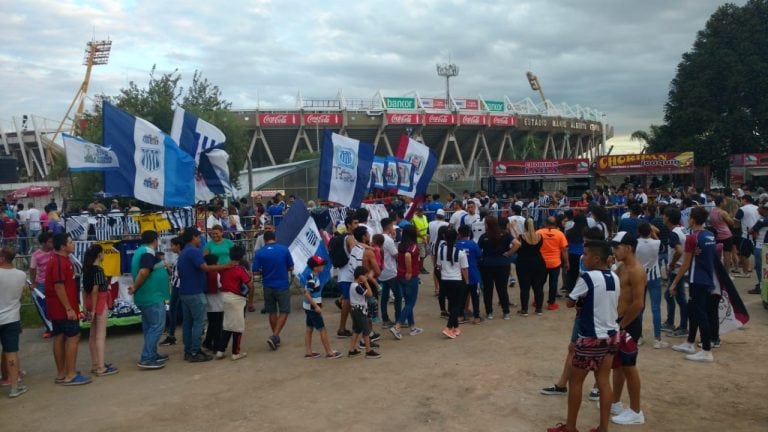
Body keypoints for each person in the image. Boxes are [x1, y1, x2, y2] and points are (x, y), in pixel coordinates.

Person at [547, 240, 620, 432]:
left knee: (576, 381)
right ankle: (603, 428)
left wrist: (581, 302)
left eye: (586, 254)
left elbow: (570, 302)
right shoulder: (614, 276)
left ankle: (570, 427)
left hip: (590, 336)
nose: (583, 257)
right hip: (612, 335)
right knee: (604, 381)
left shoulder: (588, 277)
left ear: (596, 258)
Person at [177, 228, 232, 363]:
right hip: (194, 292)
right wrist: (225, 266)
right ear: (193, 237)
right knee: (198, 323)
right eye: (198, 237)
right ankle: (195, 351)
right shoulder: (193, 251)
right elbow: (206, 268)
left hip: (185, 291)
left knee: (188, 323)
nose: (200, 239)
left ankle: (189, 350)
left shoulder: (185, 252)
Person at [609, 232, 647, 425]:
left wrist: (622, 325)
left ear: (628, 248)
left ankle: (635, 410)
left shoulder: (636, 270)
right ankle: (615, 402)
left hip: (629, 323)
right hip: (620, 321)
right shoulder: (622, 266)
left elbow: (638, 303)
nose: (614, 251)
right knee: (619, 366)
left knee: (629, 367)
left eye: (616, 248)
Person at [670, 206, 717, 362]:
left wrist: (674, 283)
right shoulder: (710, 235)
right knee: (694, 310)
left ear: (693, 219)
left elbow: (685, 264)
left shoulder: (692, 238)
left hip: (696, 280)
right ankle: (690, 342)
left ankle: (706, 350)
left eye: (689, 217)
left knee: (700, 314)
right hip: (707, 279)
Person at [46, 233, 91, 386]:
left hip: (58, 308)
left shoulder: (59, 260)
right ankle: (70, 374)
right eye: (70, 242)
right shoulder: (60, 262)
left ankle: (62, 373)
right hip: (63, 309)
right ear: (63, 246)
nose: (74, 244)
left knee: (59, 337)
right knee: (73, 337)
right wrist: (69, 308)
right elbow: (58, 286)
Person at [129, 231, 170, 370]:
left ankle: (151, 353)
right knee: (157, 326)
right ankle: (147, 358)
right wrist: (135, 287)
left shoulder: (141, 251)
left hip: (148, 295)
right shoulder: (148, 251)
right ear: (155, 240)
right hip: (151, 296)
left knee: (149, 326)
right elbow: (144, 272)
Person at [252, 230, 294, 351]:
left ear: (264, 240)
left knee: (271, 312)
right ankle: (275, 335)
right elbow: (291, 266)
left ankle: (276, 337)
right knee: (284, 311)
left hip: (268, 285)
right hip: (282, 284)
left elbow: (255, 271)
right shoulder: (284, 249)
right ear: (275, 238)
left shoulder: (260, 252)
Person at [82, 244, 118, 376]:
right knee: (100, 335)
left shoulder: (86, 269)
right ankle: (101, 367)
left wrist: (86, 307)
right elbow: (96, 290)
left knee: (93, 335)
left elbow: (85, 290)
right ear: (99, 255)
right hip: (99, 301)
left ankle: (95, 363)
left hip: (90, 301)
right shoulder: (98, 270)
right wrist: (93, 310)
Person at [0, 246, 29, 397]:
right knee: (11, 352)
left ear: (2, 258)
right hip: (11, 317)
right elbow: (21, 295)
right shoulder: (21, 275)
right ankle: (14, 387)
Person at [302, 255, 342, 359]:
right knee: (322, 329)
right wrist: (316, 306)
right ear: (315, 267)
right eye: (321, 264)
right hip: (312, 308)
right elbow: (307, 293)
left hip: (308, 307)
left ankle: (308, 351)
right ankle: (329, 352)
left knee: (309, 328)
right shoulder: (313, 279)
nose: (323, 266)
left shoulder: (312, 276)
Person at [216, 246, 251, 360]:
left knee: (227, 324)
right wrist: (250, 299)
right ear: (242, 257)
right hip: (237, 298)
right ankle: (236, 352)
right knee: (238, 326)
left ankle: (221, 350)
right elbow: (250, 284)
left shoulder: (224, 267)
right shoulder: (240, 269)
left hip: (225, 296)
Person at [636, 222, 666, 349]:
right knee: (656, 308)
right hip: (654, 276)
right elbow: (662, 247)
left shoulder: (635, 243)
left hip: (640, 276)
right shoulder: (656, 243)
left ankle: (638, 336)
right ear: (649, 232)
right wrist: (653, 233)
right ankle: (657, 339)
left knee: (639, 307)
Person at [390, 225, 423, 339]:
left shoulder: (401, 245)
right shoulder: (413, 246)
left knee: (408, 301)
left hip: (400, 275)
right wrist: (409, 271)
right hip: (410, 276)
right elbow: (408, 256)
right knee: (410, 303)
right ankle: (397, 326)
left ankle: (412, 327)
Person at [478, 216, 514, 320]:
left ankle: (489, 312)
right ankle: (506, 312)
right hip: (503, 264)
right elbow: (517, 244)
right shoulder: (505, 234)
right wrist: (509, 253)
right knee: (502, 289)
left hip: (487, 265)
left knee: (488, 290)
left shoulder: (484, 236)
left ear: (488, 225)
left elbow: (478, 250)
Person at [436, 228, 468, 338]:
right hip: (456, 280)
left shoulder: (440, 250)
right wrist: (467, 281)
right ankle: (448, 327)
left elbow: (438, 267)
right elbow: (464, 269)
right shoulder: (461, 253)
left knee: (452, 303)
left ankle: (455, 327)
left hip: (445, 280)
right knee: (457, 305)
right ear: (456, 238)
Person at [662, 207, 688, 338]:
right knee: (670, 295)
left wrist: (672, 263)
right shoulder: (683, 229)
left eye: (664, 215)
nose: (663, 217)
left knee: (679, 298)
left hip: (676, 269)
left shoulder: (673, 233)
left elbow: (679, 250)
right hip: (682, 267)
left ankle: (682, 326)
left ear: (668, 218)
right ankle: (671, 322)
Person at [512, 217, 546, 316]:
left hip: (523, 263)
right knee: (538, 287)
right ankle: (539, 309)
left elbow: (516, 247)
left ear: (525, 226)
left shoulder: (521, 237)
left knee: (524, 287)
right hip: (538, 262)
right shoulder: (539, 237)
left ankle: (524, 310)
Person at [348, 266, 381, 359]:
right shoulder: (357, 287)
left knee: (356, 330)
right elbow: (370, 294)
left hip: (355, 310)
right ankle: (368, 350)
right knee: (366, 331)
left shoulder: (352, 285)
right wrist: (366, 282)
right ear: (360, 276)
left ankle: (352, 349)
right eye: (365, 276)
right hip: (360, 311)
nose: (366, 278)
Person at [538, 217, 569, 311]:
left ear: (545, 223)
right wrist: (567, 262)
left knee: (539, 283)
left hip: (541, 262)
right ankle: (551, 303)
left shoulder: (538, 233)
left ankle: (537, 301)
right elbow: (564, 250)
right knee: (553, 284)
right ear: (556, 224)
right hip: (555, 263)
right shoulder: (560, 234)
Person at [29, 232, 54, 338]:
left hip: (54, 282)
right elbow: (32, 269)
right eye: (49, 241)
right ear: (43, 243)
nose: (52, 243)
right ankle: (49, 328)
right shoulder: (36, 255)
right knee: (43, 306)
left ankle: (56, 326)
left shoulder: (55, 252)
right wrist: (33, 282)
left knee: (54, 305)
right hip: (41, 283)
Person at [160, 236, 184, 346]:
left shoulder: (181, 258)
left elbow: (178, 275)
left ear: (178, 245)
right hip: (177, 286)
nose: (171, 247)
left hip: (178, 287)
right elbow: (175, 273)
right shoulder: (179, 257)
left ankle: (172, 335)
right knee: (176, 309)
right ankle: (171, 334)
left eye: (172, 245)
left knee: (174, 309)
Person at [456, 225, 482, 323]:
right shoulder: (473, 244)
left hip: (460, 274)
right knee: (475, 296)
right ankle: (476, 317)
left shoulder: (456, 245)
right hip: (473, 273)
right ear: (469, 233)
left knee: (462, 296)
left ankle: (461, 316)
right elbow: (479, 256)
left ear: (459, 233)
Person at [379, 218, 401, 328]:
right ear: (388, 226)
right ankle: (398, 319)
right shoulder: (388, 240)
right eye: (392, 225)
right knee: (398, 295)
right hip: (391, 271)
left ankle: (385, 319)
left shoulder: (379, 237)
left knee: (384, 296)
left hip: (382, 271)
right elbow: (395, 255)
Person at [248, 221, 274, 312]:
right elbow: (256, 250)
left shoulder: (277, 237)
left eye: (269, 228)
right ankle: (267, 305)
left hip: (275, 265)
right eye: (265, 228)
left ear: (273, 229)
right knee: (266, 286)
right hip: (265, 265)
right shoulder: (260, 238)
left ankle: (275, 304)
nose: (267, 230)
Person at [201, 254, 224, 353]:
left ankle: (207, 342)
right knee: (218, 325)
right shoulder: (216, 274)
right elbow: (220, 287)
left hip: (208, 303)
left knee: (212, 324)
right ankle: (216, 345)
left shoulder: (204, 274)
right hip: (218, 303)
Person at [412, 207, 429, 274]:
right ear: (417, 211)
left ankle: (418, 265)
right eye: (420, 211)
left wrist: (426, 236)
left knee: (427, 252)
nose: (421, 212)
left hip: (425, 237)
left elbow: (426, 227)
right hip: (419, 239)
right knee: (422, 254)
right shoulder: (414, 219)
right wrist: (423, 238)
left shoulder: (424, 217)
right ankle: (421, 268)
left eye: (422, 211)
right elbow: (416, 231)